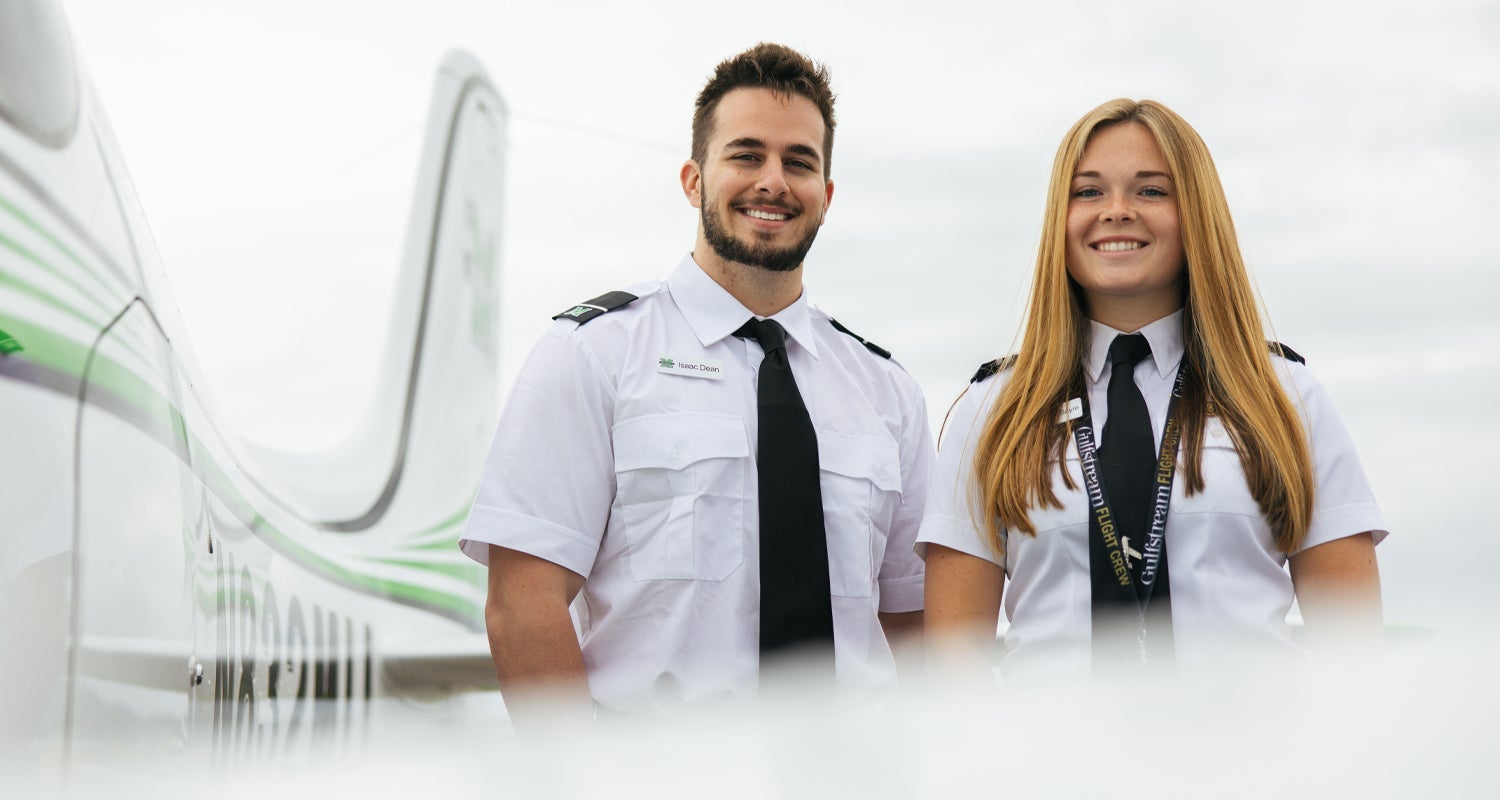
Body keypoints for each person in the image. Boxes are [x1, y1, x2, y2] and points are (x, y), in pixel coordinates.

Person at [459, 43, 931, 728]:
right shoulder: (593, 354)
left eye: (799, 162)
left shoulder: (888, 393)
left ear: (825, 197)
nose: (773, 181)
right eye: (746, 155)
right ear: (692, 179)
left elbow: (912, 622)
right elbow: (521, 603)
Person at [919, 99, 1386, 688]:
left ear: (1196, 214)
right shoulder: (993, 412)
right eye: (1087, 192)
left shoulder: (1285, 396)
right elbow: (951, 677)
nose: (1116, 212)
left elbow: (1355, 658)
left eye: (1151, 191)